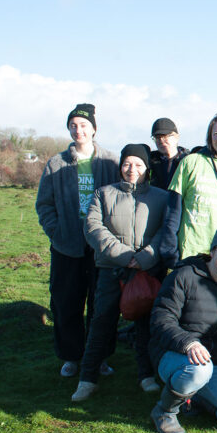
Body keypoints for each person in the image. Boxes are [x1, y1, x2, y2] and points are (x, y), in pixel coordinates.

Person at [71, 144, 181, 401]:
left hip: (147, 271)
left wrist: (144, 257)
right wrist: (124, 255)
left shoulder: (162, 197)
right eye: (127, 164)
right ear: (120, 166)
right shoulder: (103, 194)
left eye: (138, 165)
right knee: (101, 322)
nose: (132, 169)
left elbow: (166, 231)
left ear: (147, 168)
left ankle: (146, 376)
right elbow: (93, 228)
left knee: (145, 326)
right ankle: (87, 379)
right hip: (111, 269)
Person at [148, 227, 217, 433]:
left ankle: (195, 397)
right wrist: (188, 343)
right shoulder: (184, 275)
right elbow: (160, 320)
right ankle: (165, 412)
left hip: (216, 362)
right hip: (176, 355)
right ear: (213, 249)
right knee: (199, 370)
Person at [36, 103, 120, 378]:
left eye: (84, 125)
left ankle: (100, 357)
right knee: (66, 303)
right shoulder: (56, 163)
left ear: (94, 129)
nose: (78, 130)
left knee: (102, 305)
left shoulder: (110, 162)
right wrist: (56, 231)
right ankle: (71, 356)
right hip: (67, 246)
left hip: (101, 247)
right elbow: (44, 204)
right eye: (73, 125)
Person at [168, 113, 217, 259]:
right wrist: (170, 251)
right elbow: (173, 210)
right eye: (216, 134)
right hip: (189, 252)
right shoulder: (191, 162)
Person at [148, 117, 188, 190]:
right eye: (157, 138)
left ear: (177, 137)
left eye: (165, 136)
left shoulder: (188, 161)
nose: (161, 141)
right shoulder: (149, 162)